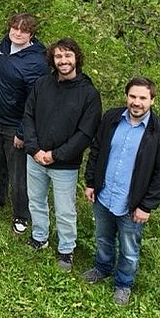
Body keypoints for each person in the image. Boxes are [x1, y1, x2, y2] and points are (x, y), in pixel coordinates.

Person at [82, 77, 160, 305]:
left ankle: (123, 283)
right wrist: (91, 182)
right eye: (133, 96)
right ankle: (102, 268)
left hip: (132, 203)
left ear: (152, 100)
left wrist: (146, 206)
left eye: (143, 98)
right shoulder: (111, 118)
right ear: (127, 97)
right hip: (105, 195)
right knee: (103, 238)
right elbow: (96, 150)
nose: (137, 102)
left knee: (129, 248)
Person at [21, 37, 102, 271]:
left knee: (65, 210)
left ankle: (66, 250)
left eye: (68, 56)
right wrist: (34, 149)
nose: (63, 61)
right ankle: (39, 237)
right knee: (36, 201)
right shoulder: (42, 84)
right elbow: (28, 116)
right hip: (35, 158)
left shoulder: (89, 94)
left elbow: (85, 134)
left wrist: (55, 155)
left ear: (76, 58)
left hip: (64, 164)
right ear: (52, 60)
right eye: (58, 56)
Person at [0, 12, 49, 235]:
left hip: (15, 126)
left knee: (18, 174)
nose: (17, 33)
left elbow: (35, 102)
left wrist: (22, 132)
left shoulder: (38, 61)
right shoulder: (3, 46)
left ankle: (22, 214)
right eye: (14, 28)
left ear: (31, 34)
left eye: (23, 30)